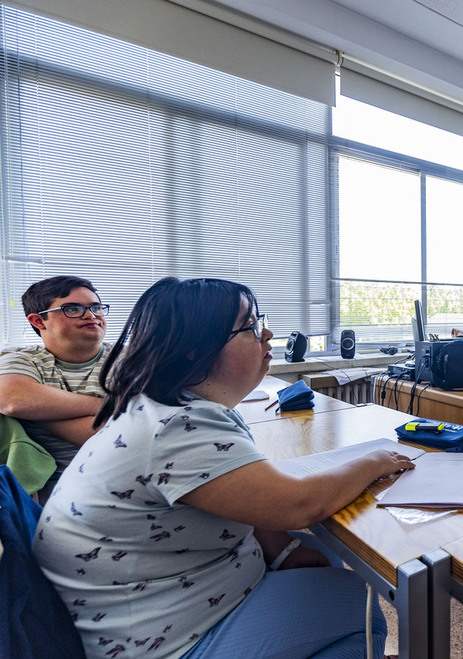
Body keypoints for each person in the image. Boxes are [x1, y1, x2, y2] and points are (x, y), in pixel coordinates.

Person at [33, 277, 414, 658]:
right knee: (358, 611)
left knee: (320, 559)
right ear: (195, 350)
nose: (266, 333)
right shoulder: (178, 427)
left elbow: (244, 500)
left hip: (149, 605)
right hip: (155, 641)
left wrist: (279, 549)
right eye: (249, 326)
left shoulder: (165, 408)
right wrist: (375, 460)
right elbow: (297, 506)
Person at [0, 276, 109, 500]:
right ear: (39, 321)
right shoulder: (22, 359)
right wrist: (106, 405)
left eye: (95, 307)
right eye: (73, 308)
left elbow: (116, 438)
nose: (91, 315)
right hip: (52, 493)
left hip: (126, 479)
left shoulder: (132, 359)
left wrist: (37, 413)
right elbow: (13, 400)